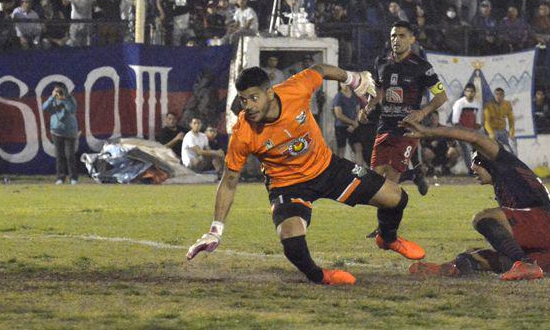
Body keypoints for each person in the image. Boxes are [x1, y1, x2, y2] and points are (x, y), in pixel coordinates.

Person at [187, 65, 424, 286]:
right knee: (291, 240)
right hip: (287, 186)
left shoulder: (294, 90)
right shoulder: (243, 132)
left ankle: (388, 238)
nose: (248, 105)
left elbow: (319, 70)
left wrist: (355, 79)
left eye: (253, 98)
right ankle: (319, 276)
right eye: (243, 99)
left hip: (327, 168)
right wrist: (215, 230)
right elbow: (229, 181)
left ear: (269, 93)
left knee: (397, 197)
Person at [402, 120, 550, 281]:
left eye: (477, 161)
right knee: (472, 254)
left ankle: (524, 263)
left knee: (484, 217)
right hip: (545, 250)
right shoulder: (503, 184)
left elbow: (474, 137)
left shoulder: (505, 162)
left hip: (545, 224)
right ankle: (450, 268)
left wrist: (430, 131)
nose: (472, 168)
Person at [359, 22, 447, 197]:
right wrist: (367, 107)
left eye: (401, 36)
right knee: (375, 178)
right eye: (393, 36)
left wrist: (422, 112)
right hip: (384, 126)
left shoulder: (422, 67)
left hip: (407, 128)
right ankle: (413, 174)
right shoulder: (381, 62)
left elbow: (441, 96)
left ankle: (387, 223)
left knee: (391, 178)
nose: (396, 39)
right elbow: (378, 90)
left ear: (412, 39)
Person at [43, 83, 78, 185]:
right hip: (56, 131)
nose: (59, 93)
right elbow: (44, 108)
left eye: (61, 90)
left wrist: (64, 99)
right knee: (59, 155)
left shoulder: (71, 99)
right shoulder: (53, 99)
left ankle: (73, 178)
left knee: (70, 155)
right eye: (57, 91)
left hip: (70, 132)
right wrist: (51, 97)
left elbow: (72, 109)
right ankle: (60, 178)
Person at [449, 83, 482, 171]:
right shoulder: (459, 103)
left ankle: (481, 168)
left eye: (472, 91)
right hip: (460, 133)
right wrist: (467, 132)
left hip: (472, 133)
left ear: (475, 93)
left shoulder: (477, 104)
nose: (470, 93)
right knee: (467, 147)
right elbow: (455, 122)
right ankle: (471, 170)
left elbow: (478, 123)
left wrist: (474, 133)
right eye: (468, 91)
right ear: (464, 92)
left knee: (482, 145)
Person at [332, 83, 364, 166]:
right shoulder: (338, 97)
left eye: (346, 83)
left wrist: (355, 123)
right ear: (340, 84)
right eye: (342, 83)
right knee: (341, 149)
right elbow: (339, 115)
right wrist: (352, 123)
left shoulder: (354, 96)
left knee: (358, 147)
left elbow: (358, 110)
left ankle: (360, 171)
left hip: (354, 126)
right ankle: (339, 170)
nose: (345, 85)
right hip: (341, 126)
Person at [484, 87, 516, 154]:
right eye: (497, 94)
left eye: (501, 94)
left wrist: (511, 133)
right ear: (494, 95)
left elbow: (511, 120)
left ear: (503, 96)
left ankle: (515, 162)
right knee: (491, 150)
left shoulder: (507, 104)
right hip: (492, 131)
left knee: (512, 144)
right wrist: (491, 133)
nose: (499, 96)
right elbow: (486, 122)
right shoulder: (488, 105)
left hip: (502, 131)